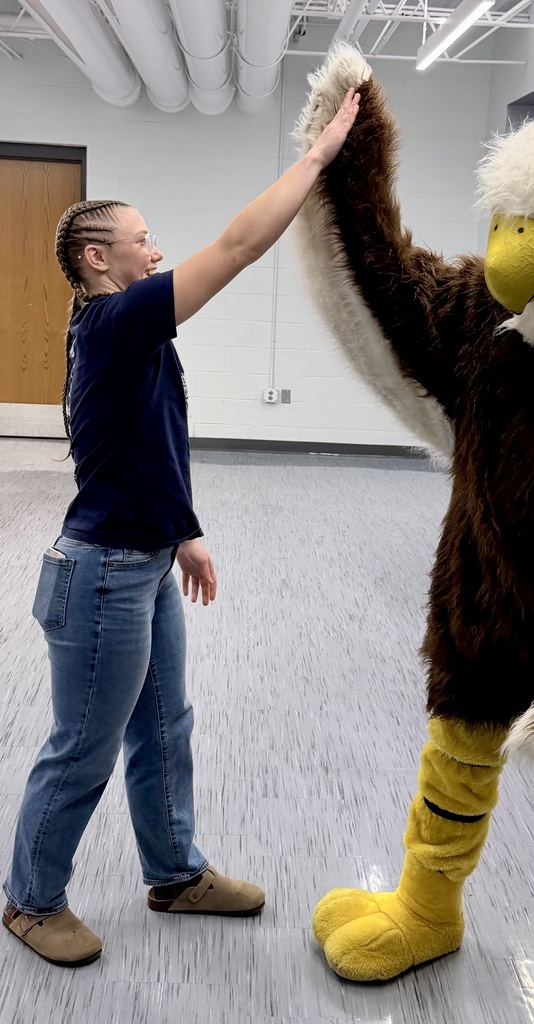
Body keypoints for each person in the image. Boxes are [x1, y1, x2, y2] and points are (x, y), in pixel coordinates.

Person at [2, 86, 360, 968]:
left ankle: (174, 874)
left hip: (147, 558)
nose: (156, 249)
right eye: (142, 239)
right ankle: (29, 901)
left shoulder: (122, 332)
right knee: (83, 746)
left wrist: (185, 530)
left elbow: (138, 449)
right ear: (98, 257)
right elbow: (238, 248)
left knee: (164, 727)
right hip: (102, 577)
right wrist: (315, 161)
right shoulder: (119, 319)